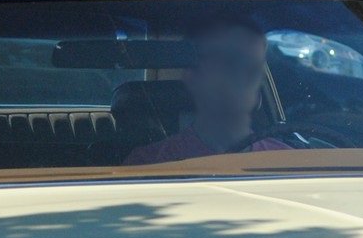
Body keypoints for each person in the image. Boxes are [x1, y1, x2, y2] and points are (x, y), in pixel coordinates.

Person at [125, 16, 292, 165]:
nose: (245, 75)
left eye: (253, 66)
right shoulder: (147, 165)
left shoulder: (289, 161)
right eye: (229, 64)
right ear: (192, 75)